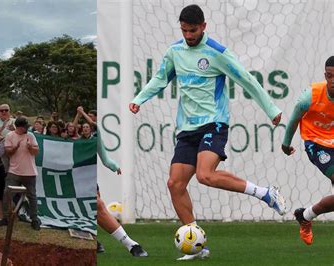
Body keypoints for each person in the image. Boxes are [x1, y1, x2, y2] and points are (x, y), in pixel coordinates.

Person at [129, 5, 286, 260]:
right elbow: (160, 79)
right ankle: (198, 247)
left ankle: (265, 193)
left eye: (192, 30)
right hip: (187, 128)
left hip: (214, 123)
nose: (188, 35)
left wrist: (271, 109)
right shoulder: (174, 52)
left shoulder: (218, 53)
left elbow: (246, 79)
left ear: (204, 26)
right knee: (175, 184)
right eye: (184, 30)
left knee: (205, 175)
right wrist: (139, 98)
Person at [281, 56, 334, 246]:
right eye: (329, 76)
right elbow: (295, 118)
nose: (333, 81)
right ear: (325, 76)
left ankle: (305, 215)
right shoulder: (310, 95)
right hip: (316, 143)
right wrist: (286, 144)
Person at [96, 126, 148, 257]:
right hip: (65, 177)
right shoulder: (68, 131)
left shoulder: (94, 131)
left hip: (87, 177)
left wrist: (113, 165)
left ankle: (131, 245)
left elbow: (104, 158)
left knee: (98, 205)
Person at [0, 117, 41, 230]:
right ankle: (6, 217)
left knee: (32, 195)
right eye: (24, 127)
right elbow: (8, 152)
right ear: (19, 127)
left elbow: (36, 151)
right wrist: (16, 147)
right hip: (14, 170)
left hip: (29, 171)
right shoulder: (10, 136)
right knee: (7, 193)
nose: (26, 129)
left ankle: (34, 219)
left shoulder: (30, 135)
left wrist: (30, 147)